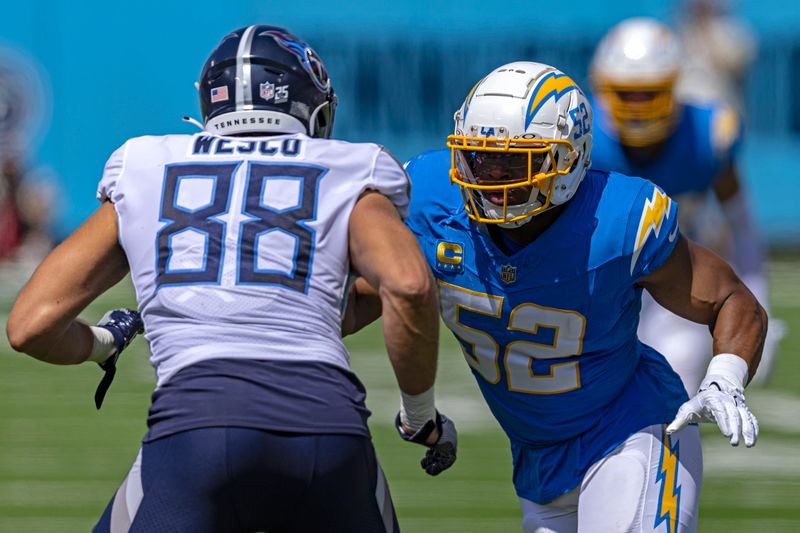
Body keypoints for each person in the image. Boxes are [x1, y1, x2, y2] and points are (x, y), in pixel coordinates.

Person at [6, 25, 456, 533]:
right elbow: (408, 284)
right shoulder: (351, 167)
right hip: (326, 431)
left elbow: (30, 325)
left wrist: (105, 340)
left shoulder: (148, 166)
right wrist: (420, 416)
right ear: (312, 107)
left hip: (196, 430)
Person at [344, 61, 766, 532]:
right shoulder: (430, 200)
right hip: (537, 464)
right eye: (479, 157)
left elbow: (729, 299)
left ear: (569, 159)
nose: (491, 180)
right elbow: (363, 295)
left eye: (514, 162)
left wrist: (725, 377)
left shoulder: (616, 220)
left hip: (630, 429)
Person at [589, 17, 781, 391]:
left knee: (676, 383)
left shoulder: (707, 136)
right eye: (626, 93)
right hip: (603, 280)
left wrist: (760, 304)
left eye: (650, 92)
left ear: (674, 86)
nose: (638, 106)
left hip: (681, 277)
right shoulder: (584, 139)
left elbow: (740, 223)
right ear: (603, 91)